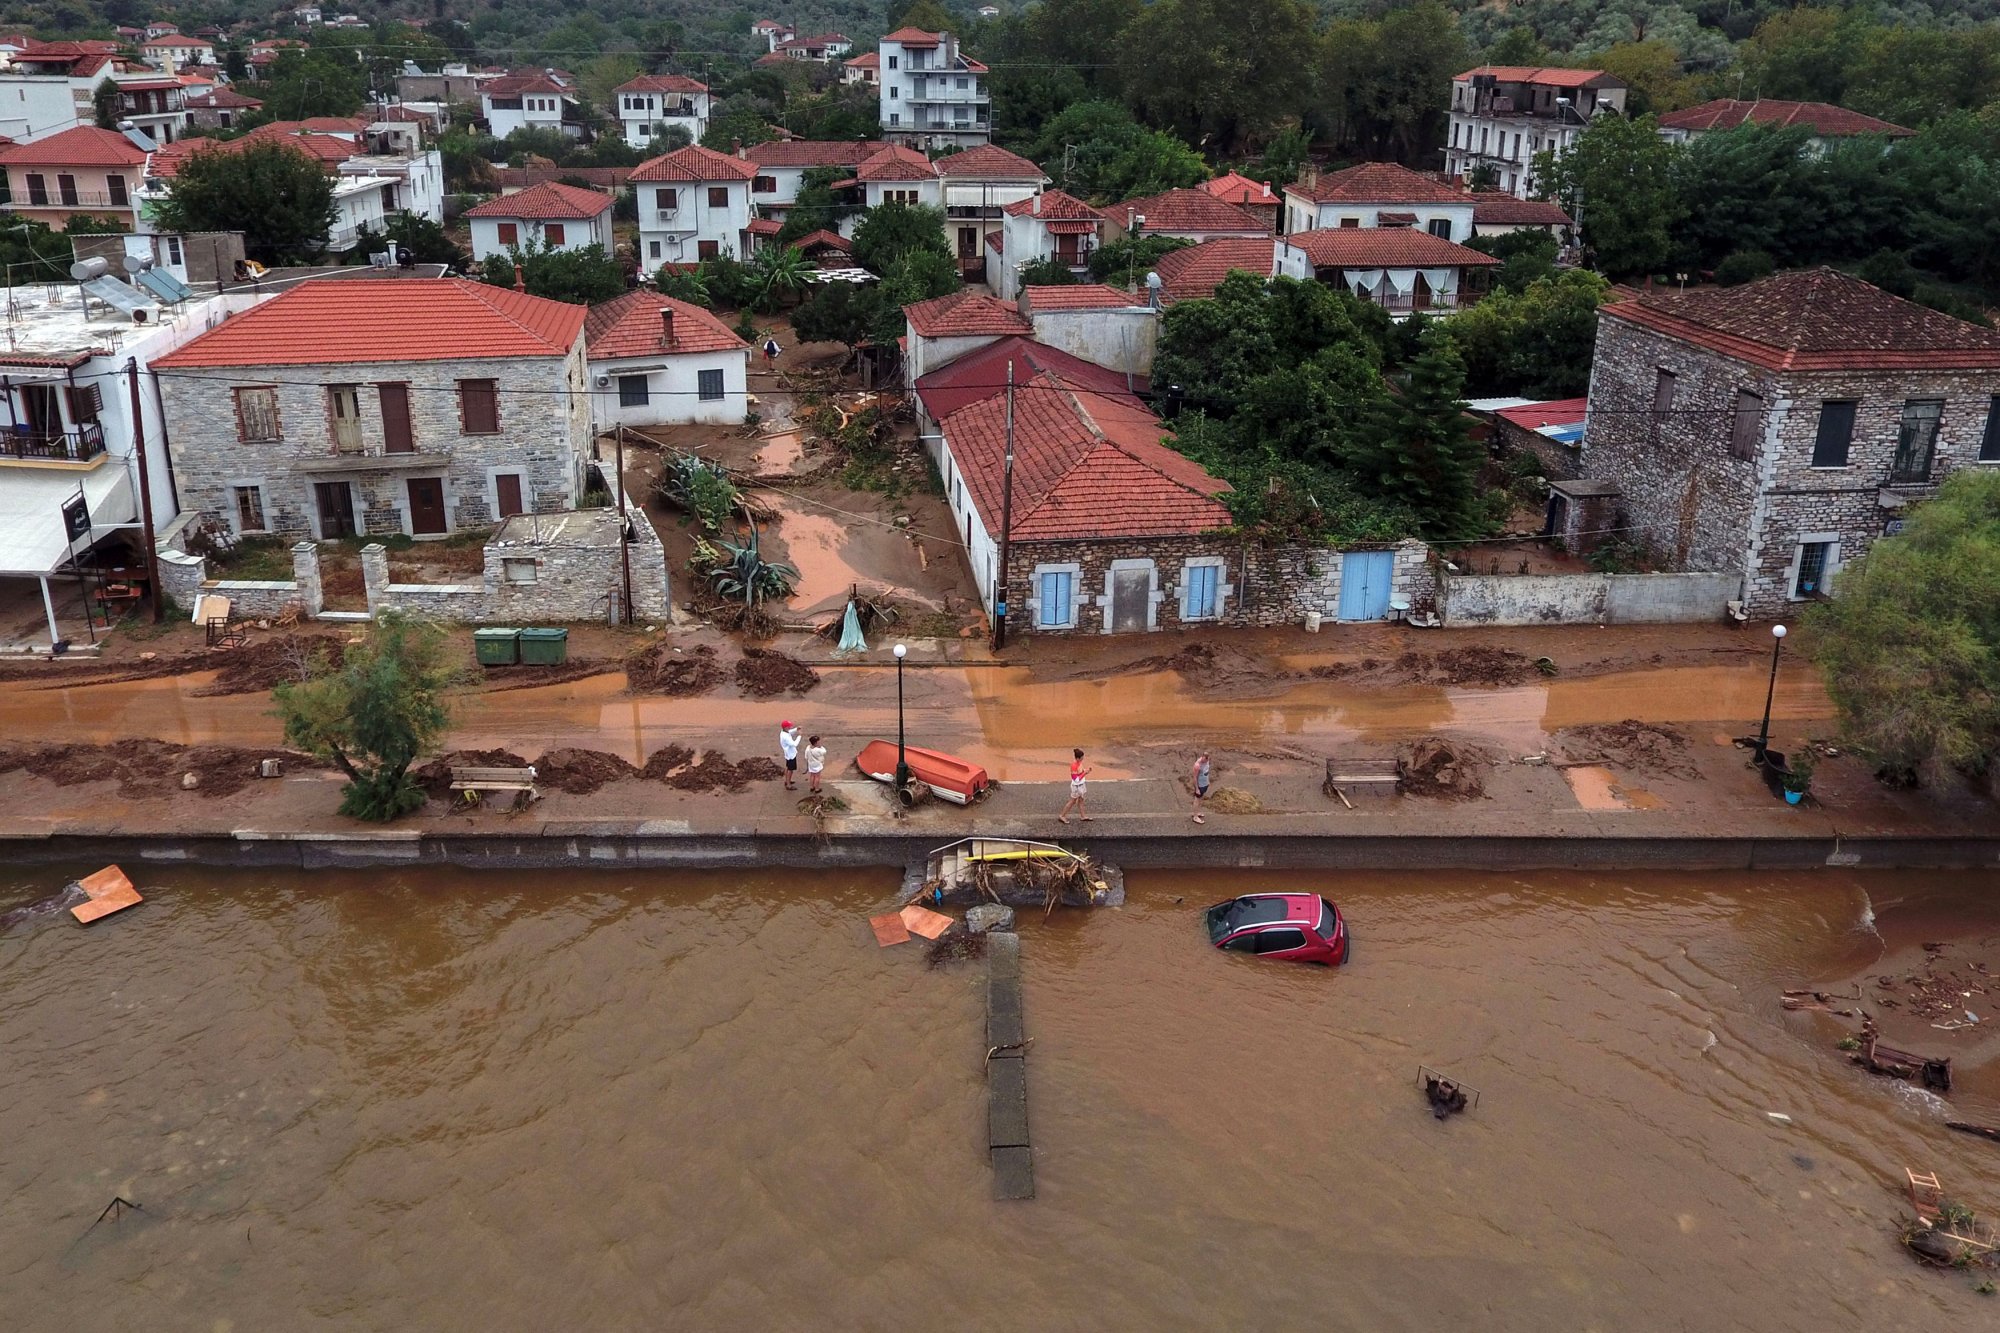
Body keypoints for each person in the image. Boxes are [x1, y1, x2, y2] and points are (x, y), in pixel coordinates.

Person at [1058, 748, 1092, 824]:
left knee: (1081, 800)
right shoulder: (1074, 765)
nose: (1083, 759)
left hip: (1081, 784)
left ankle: (1083, 816)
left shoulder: (1079, 763)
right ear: (1077, 758)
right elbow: (1075, 779)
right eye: (1082, 757)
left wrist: (1086, 771)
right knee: (1072, 801)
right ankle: (1062, 815)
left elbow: (1080, 772)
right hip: (1076, 786)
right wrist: (1085, 773)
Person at [779, 721, 800, 791]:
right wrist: (799, 736)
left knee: (788, 767)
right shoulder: (785, 736)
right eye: (789, 726)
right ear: (785, 727)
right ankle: (788, 784)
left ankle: (787, 781)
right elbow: (794, 744)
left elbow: (789, 732)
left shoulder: (783, 732)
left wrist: (796, 729)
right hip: (791, 754)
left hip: (788, 754)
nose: (790, 727)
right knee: (790, 770)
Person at [1191, 752, 1212, 824]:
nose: (1206, 762)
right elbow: (1194, 778)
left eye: (1206, 760)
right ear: (1202, 757)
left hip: (1205, 784)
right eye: (1204, 760)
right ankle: (1195, 817)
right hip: (1199, 785)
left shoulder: (1207, 761)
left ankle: (1197, 812)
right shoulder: (1197, 765)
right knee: (1197, 800)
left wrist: (1208, 781)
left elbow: (1207, 772)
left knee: (1201, 799)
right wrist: (1197, 789)